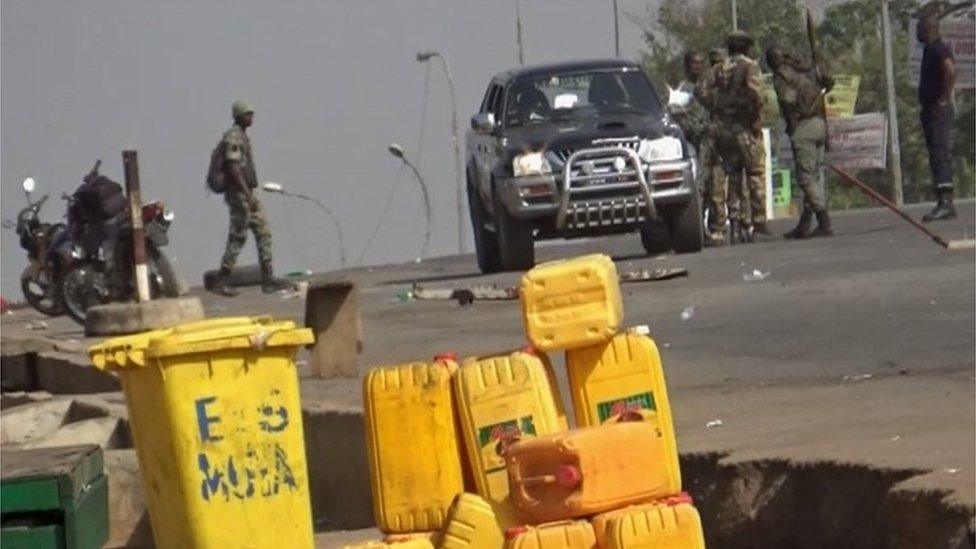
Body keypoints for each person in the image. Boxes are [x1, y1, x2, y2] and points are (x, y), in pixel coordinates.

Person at [210, 99, 288, 297]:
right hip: (239, 195)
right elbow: (233, 168)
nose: (251, 117)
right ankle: (222, 279)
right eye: (247, 114)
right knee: (238, 236)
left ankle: (268, 280)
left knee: (263, 232)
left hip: (247, 194)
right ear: (239, 116)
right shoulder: (234, 137)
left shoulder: (242, 136)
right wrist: (246, 195)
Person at [700, 31, 768, 244]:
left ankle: (735, 225)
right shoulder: (750, 66)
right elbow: (756, 95)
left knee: (735, 178)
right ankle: (758, 224)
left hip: (725, 131)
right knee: (755, 175)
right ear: (747, 47)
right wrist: (754, 117)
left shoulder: (719, 69)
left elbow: (700, 90)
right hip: (746, 130)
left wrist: (717, 105)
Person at [767, 44, 834, 238]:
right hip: (820, 123)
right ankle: (805, 224)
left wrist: (791, 124)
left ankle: (824, 221)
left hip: (804, 126)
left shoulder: (782, 76)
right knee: (814, 175)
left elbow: (787, 100)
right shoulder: (805, 69)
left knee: (806, 178)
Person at [916, 13, 957, 222]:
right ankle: (944, 202)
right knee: (936, 152)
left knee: (939, 152)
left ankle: (946, 203)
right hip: (931, 109)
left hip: (937, 110)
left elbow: (950, 71)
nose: (916, 32)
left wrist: (943, 98)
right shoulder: (929, 49)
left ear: (927, 28)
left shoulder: (937, 48)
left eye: (919, 28)